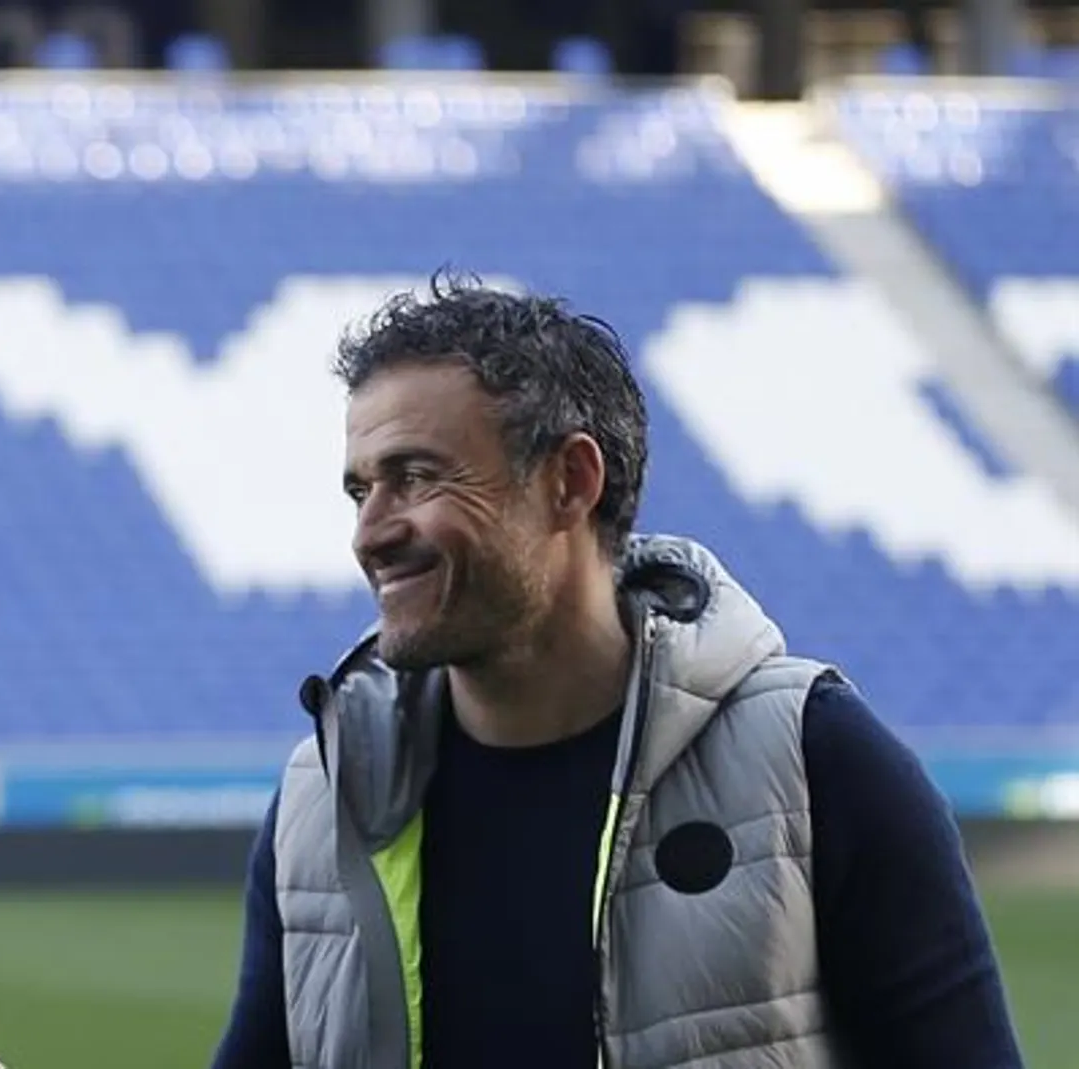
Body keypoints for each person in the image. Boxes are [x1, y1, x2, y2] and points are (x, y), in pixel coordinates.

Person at [210, 274, 1026, 1069]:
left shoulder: (815, 762)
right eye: (361, 490)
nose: (370, 532)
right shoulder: (330, 795)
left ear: (570, 481)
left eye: (417, 476)